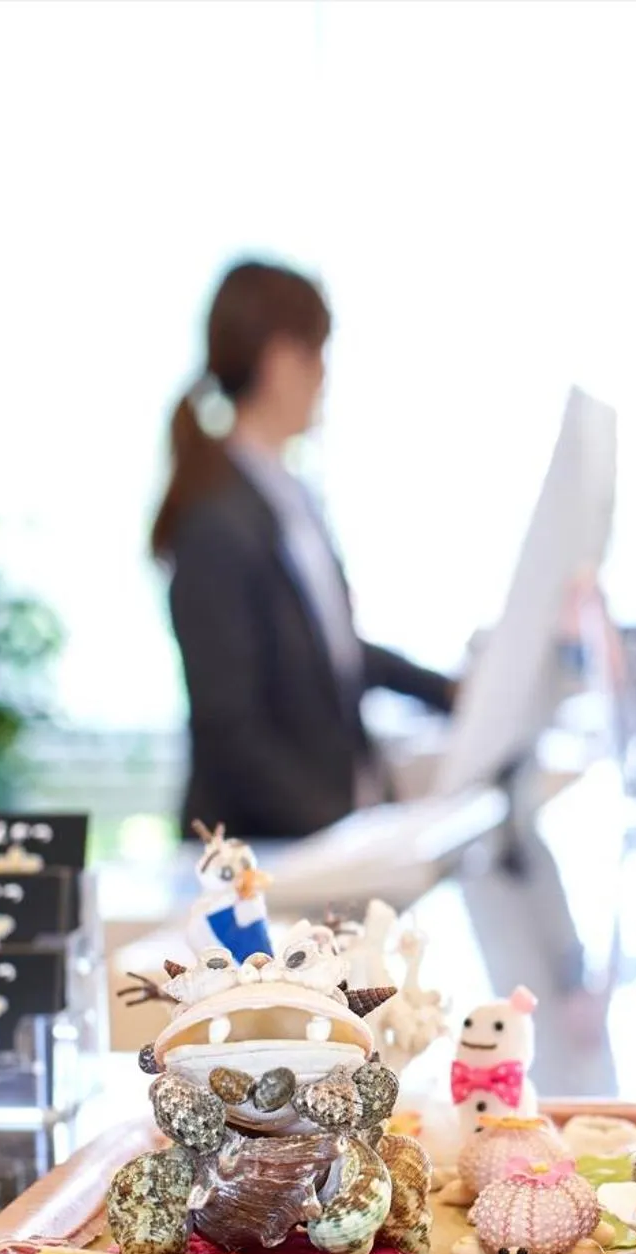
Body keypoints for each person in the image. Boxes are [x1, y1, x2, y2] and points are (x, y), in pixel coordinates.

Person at [152, 259, 455, 841]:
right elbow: (230, 728)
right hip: (264, 860)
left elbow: (333, 655)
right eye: (317, 357)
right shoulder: (215, 519)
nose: (324, 378)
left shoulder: (289, 499)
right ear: (279, 358)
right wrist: (339, 830)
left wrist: (445, 691)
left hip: (322, 842)